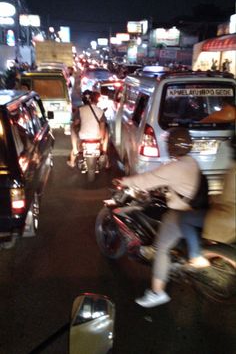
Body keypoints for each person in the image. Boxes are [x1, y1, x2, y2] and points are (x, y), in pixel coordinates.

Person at [118, 127, 208, 307]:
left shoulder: (174, 167)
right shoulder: (192, 162)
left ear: (171, 146)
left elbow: (146, 180)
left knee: (161, 249)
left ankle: (157, 292)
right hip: (197, 208)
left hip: (181, 213)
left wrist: (124, 181)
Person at [67, 90, 109, 168]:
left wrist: (75, 126)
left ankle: (74, 152)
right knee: (106, 131)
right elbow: (102, 127)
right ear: (98, 101)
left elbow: (75, 123)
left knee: (72, 128)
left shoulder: (81, 109)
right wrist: (102, 139)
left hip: (83, 136)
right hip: (97, 136)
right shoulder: (100, 111)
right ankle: (105, 153)